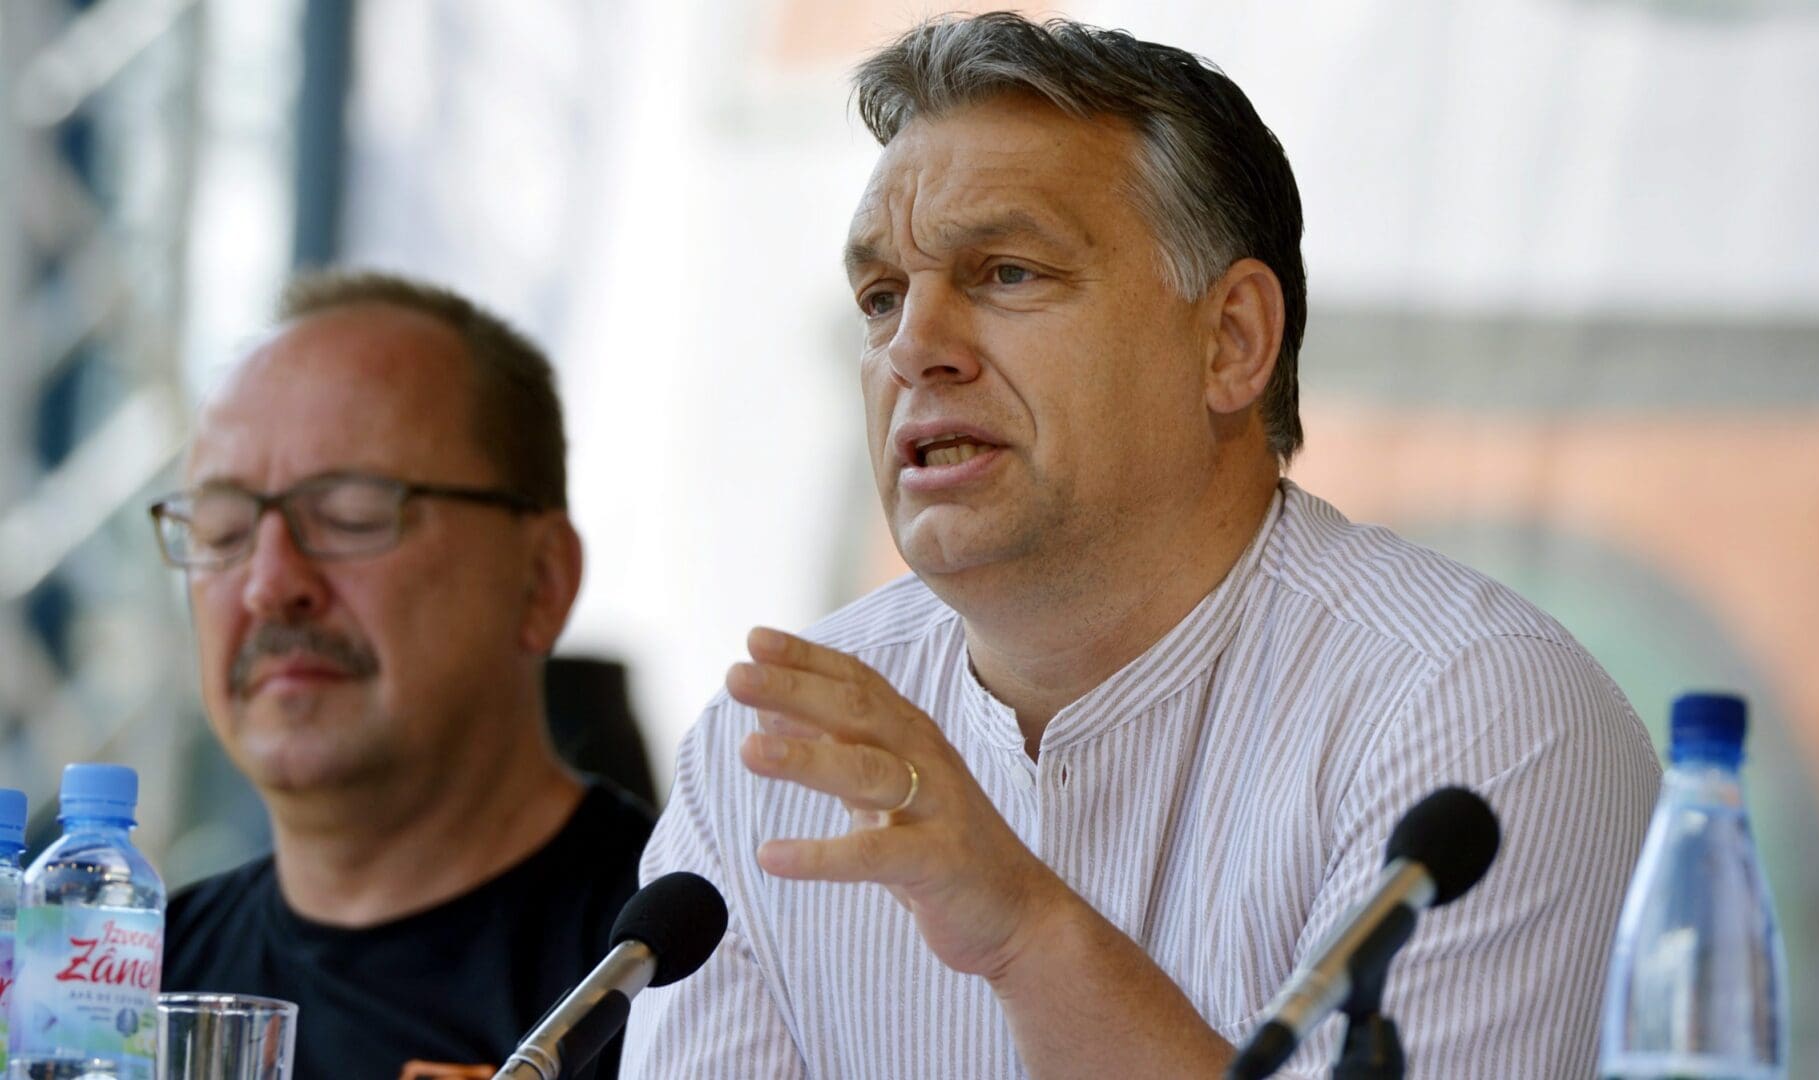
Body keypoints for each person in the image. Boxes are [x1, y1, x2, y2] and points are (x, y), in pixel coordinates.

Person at [621, 13, 1663, 1080]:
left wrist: (1031, 937)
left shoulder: (1469, 719)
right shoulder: (771, 761)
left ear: (1231, 343)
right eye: (880, 297)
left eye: (1006, 273)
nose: (913, 349)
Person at [154, 271, 654, 1080]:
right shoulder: (130, 988)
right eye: (222, 529)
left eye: (350, 513)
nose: (270, 583)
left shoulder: (675, 966)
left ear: (541, 581)